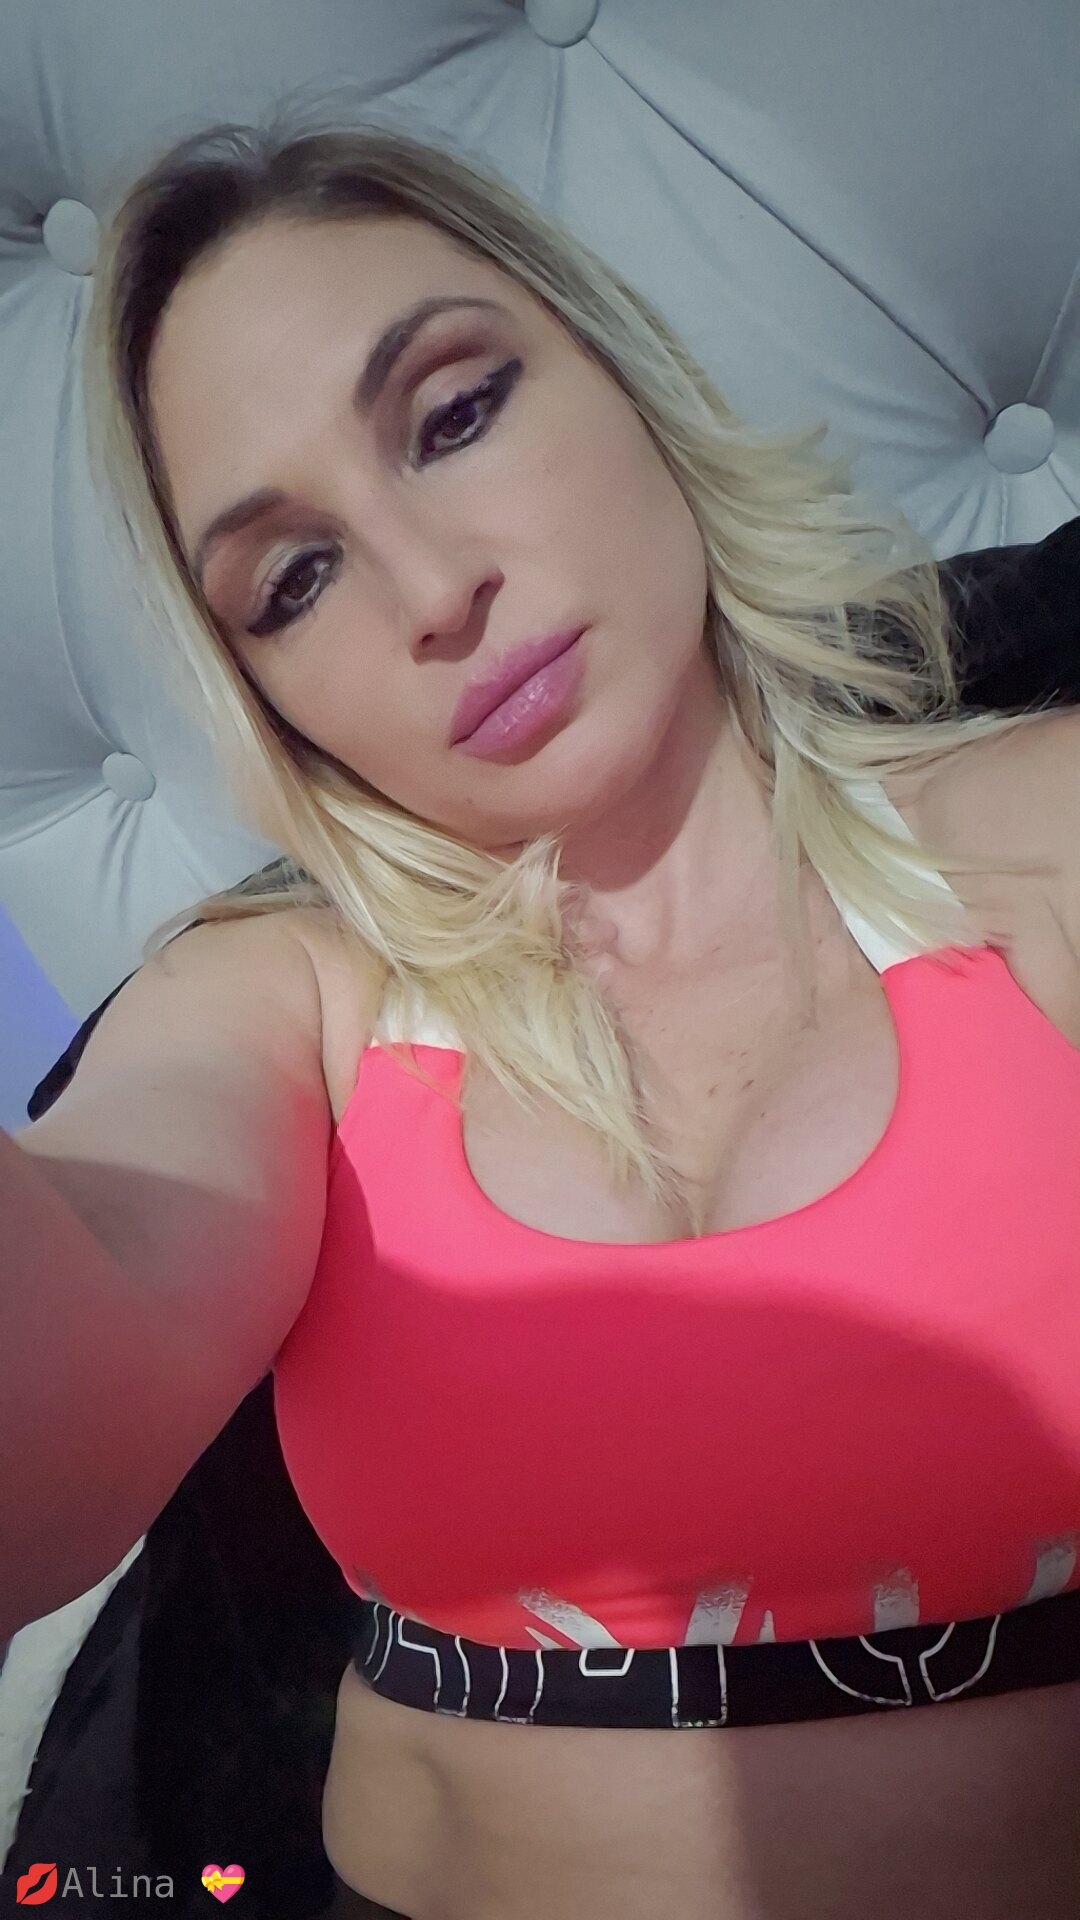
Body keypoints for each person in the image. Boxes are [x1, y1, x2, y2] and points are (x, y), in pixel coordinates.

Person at [3, 100, 1079, 1920]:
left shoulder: (1047, 836)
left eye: (455, 414)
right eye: (295, 579)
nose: (436, 593)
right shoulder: (285, 1002)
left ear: (622, 377)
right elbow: (44, 1434)